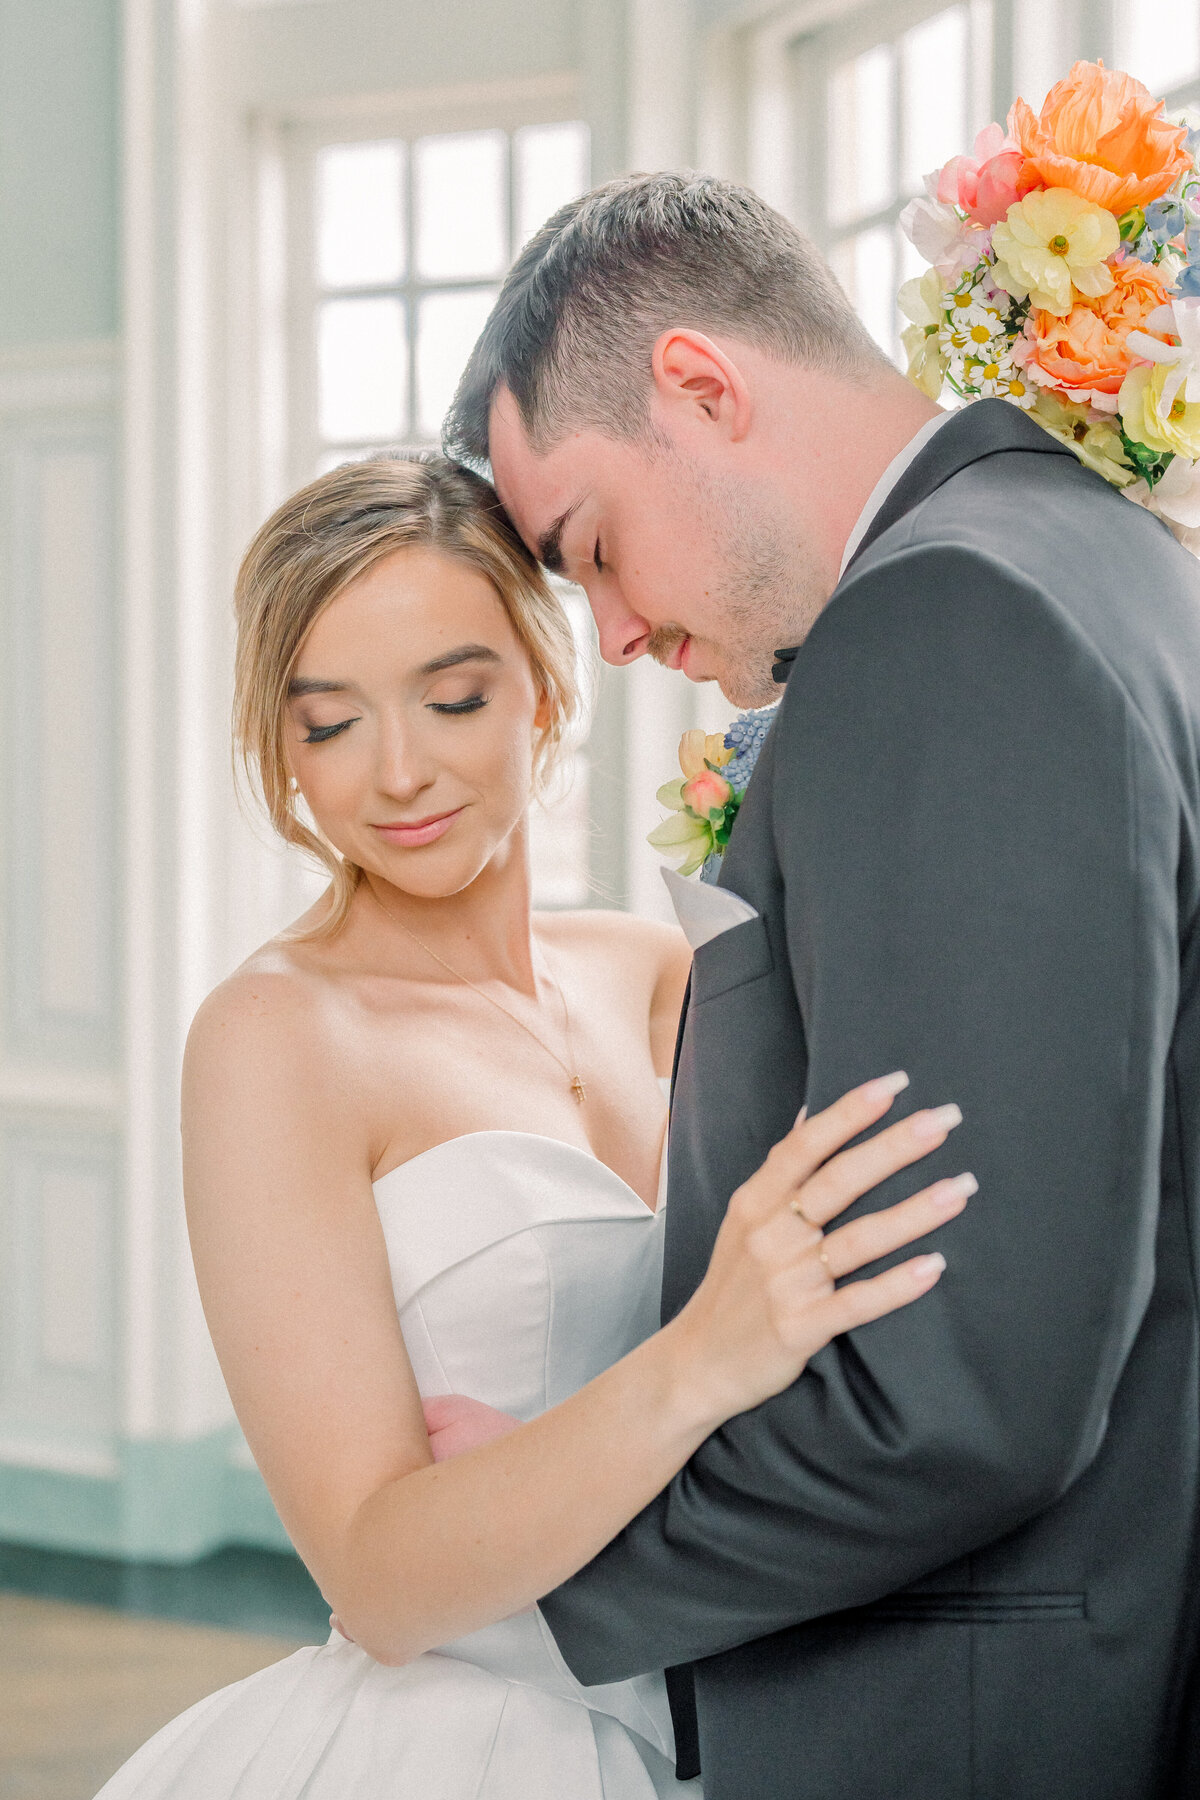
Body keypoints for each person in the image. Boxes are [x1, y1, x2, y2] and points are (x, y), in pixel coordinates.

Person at [438, 170, 1200, 1800]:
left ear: (701, 388)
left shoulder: (947, 620)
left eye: (592, 549)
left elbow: (964, 1399)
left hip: (962, 1722)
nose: (620, 632)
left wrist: (546, 1555)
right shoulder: (1099, 553)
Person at [91, 455, 965, 1799]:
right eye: (328, 725)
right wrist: (700, 1362)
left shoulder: (661, 968)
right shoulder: (275, 1038)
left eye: (452, 698)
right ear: (280, 748)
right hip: (452, 1741)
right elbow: (379, 1580)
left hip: (726, 1708)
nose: (397, 773)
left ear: (543, 690)